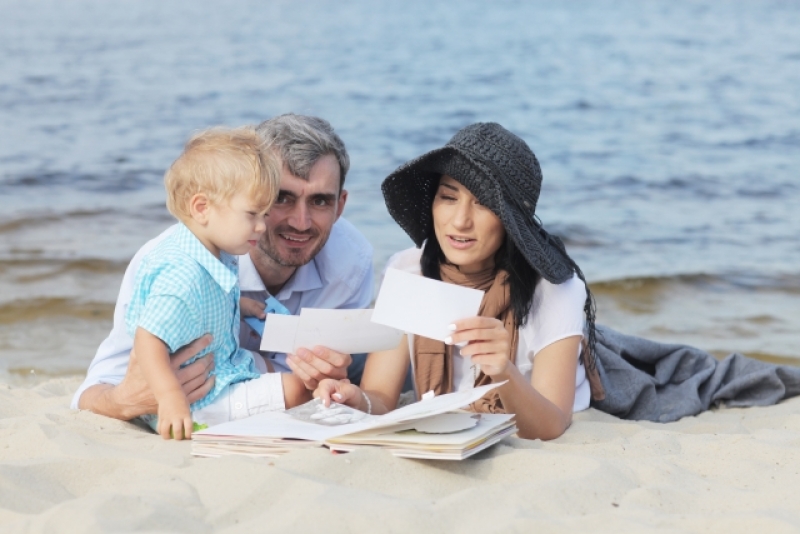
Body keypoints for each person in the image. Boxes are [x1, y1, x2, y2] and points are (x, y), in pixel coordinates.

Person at [73, 114, 374, 421]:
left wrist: (326, 378)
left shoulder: (350, 262)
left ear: (340, 206)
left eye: (320, 201)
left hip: (248, 377)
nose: (301, 222)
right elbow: (95, 389)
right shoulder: (169, 263)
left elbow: (322, 384)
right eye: (281, 198)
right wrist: (126, 402)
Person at [315, 122, 604, 441]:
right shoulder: (407, 271)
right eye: (448, 197)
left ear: (510, 220)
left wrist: (504, 370)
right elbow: (380, 398)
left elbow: (551, 426)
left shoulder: (554, 289)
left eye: (483, 203)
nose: (460, 221)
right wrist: (355, 399)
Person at [127, 127, 316, 439]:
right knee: (297, 389)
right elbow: (148, 339)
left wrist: (238, 304)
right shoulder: (183, 274)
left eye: (265, 214)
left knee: (274, 368)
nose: (262, 226)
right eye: (252, 214)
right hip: (197, 396)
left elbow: (198, 302)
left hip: (222, 363)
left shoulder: (210, 249)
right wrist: (171, 398)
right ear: (202, 208)